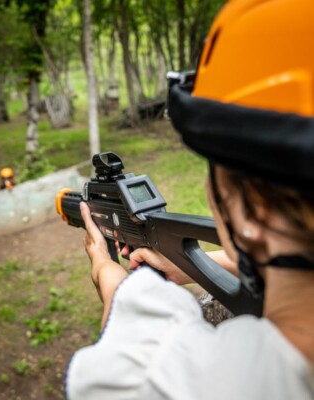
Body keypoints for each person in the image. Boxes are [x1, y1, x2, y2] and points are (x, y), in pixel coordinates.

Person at [66, 0, 314, 399]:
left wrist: (101, 262)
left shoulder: (165, 380)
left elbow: (134, 333)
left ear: (252, 204)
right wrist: (192, 264)